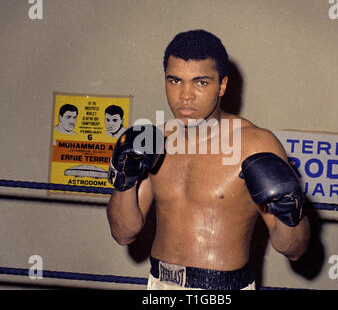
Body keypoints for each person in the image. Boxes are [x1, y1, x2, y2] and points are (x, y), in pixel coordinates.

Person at [106, 29, 310, 290]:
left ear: (222, 85)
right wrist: (123, 182)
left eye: (200, 82)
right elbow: (123, 233)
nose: (186, 95)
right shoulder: (154, 141)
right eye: (175, 81)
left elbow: (294, 249)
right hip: (159, 284)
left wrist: (290, 213)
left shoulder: (255, 144)